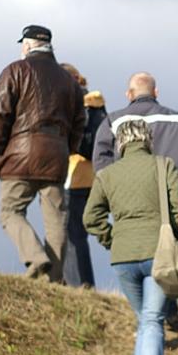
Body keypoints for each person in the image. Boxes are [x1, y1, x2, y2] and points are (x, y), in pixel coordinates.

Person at [83, 120, 178, 355]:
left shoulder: (107, 175)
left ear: (120, 143)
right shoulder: (163, 165)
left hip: (122, 258)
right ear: (147, 140)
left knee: (145, 319)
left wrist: (111, 239)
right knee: (152, 320)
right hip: (158, 253)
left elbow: (90, 218)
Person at [93, 72, 178, 329]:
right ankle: (168, 311)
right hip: (169, 200)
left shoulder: (114, 120)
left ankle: (154, 317)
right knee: (167, 253)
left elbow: (100, 159)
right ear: (156, 92)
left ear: (129, 94)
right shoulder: (177, 118)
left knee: (140, 255)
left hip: (129, 201)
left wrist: (115, 184)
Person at [0, 25, 85, 283]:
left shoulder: (16, 70)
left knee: (10, 211)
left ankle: (36, 257)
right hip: (57, 157)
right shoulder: (69, 82)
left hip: (19, 154)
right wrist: (68, 149)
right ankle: (52, 279)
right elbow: (80, 122)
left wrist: (1, 147)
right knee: (56, 220)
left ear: (28, 46)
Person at [61, 64, 107, 289]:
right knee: (77, 234)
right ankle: (78, 282)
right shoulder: (96, 106)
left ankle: (79, 285)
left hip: (73, 174)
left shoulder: (72, 104)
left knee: (71, 234)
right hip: (92, 176)